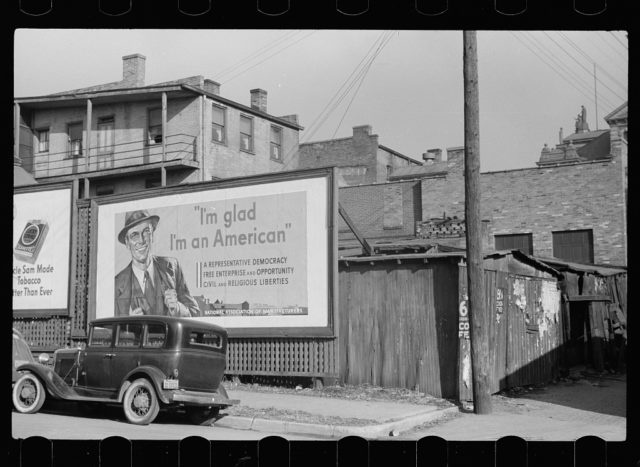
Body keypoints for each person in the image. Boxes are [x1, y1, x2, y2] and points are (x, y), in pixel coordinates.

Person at [115, 209, 200, 317]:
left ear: (152, 235)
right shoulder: (117, 284)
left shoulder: (172, 267)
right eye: (134, 235)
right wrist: (129, 324)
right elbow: (110, 329)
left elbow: (196, 314)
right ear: (127, 243)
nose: (141, 240)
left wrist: (177, 309)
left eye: (146, 231)